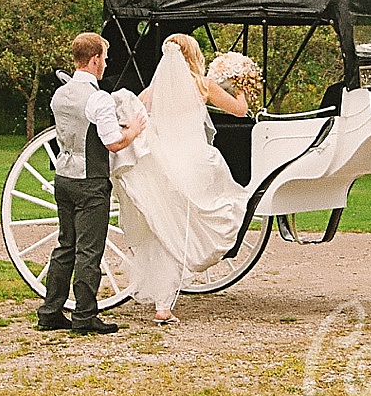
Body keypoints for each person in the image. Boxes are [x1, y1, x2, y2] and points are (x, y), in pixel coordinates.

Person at [112, 32, 253, 326]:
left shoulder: (154, 90)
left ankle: (163, 304)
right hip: (195, 162)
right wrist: (242, 83)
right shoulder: (202, 85)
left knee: (167, 227)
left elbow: (133, 114)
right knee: (213, 211)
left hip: (164, 163)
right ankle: (173, 291)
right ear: (193, 55)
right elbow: (240, 111)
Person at [37, 32, 146, 334]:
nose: (105, 64)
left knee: (65, 246)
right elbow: (112, 143)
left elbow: (80, 126)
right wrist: (134, 130)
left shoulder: (60, 94)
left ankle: (50, 311)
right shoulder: (98, 97)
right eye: (105, 59)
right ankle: (85, 315)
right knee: (89, 251)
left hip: (63, 177)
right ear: (95, 58)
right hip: (90, 181)